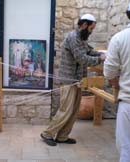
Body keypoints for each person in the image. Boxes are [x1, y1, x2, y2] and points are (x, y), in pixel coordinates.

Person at [40, 14, 106, 146]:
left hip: (77, 80)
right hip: (69, 80)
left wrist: (100, 53)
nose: (91, 32)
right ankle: (47, 133)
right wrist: (100, 59)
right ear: (85, 25)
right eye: (91, 28)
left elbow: (88, 51)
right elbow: (82, 58)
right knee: (66, 110)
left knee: (74, 111)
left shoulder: (81, 38)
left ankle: (62, 136)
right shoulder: (73, 37)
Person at [103, 0, 130, 161]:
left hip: (129, 103)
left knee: (128, 148)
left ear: (129, 15)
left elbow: (109, 71)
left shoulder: (119, 38)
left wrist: (115, 82)